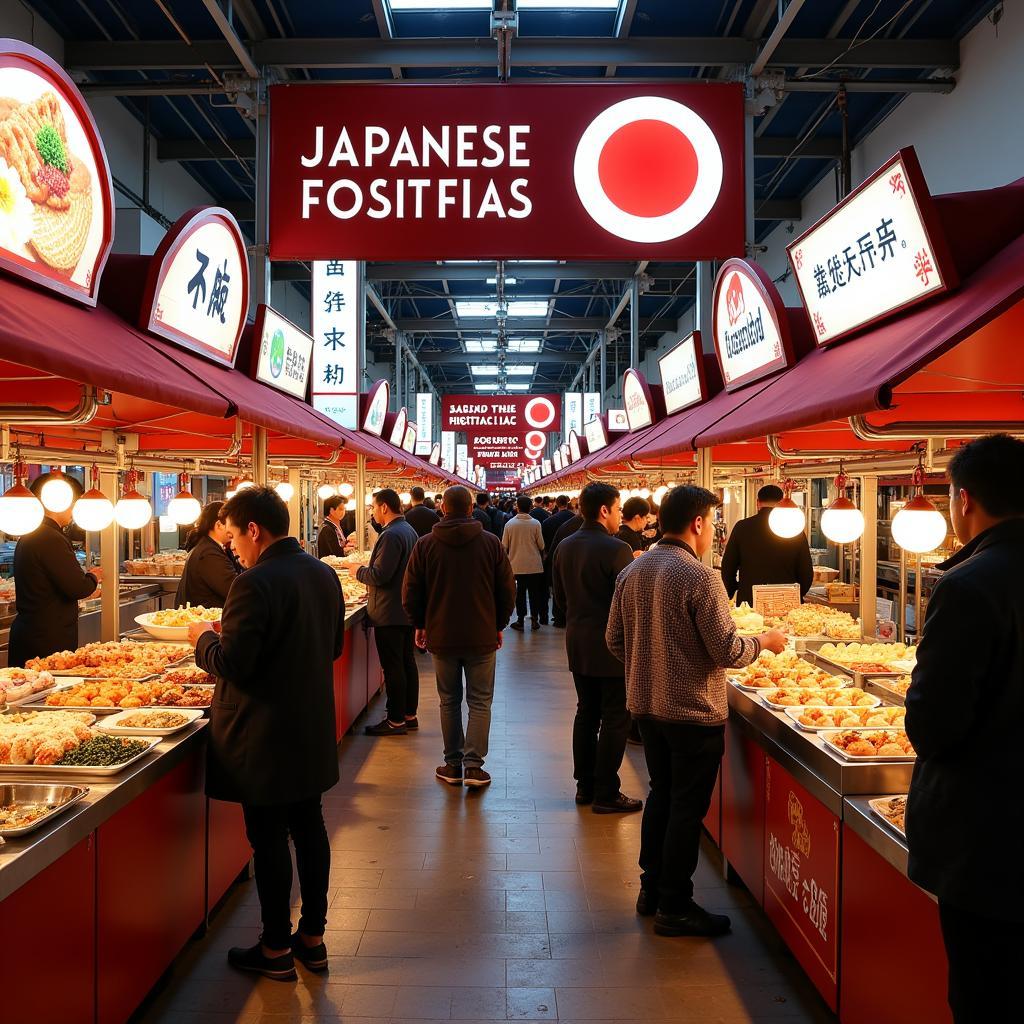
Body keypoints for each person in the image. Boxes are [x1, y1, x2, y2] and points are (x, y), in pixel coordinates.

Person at [607, 485, 786, 938]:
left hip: (647, 708)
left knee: (662, 796)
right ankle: (675, 905)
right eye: (713, 522)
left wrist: (648, 663)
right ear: (699, 523)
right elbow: (728, 650)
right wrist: (764, 642)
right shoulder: (699, 576)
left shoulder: (634, 568)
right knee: (686, 808)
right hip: (692, 714)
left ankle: (651, 890)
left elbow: (613, 640)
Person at [188, 486, 345, 981]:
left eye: (234, 536)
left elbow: (232, 664)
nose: (232, 546)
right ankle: (312, 939)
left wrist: (204, 639)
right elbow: (333, 646)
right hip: (310, 726)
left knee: (270, 839)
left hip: (263, 736)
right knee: (311, 830)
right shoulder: (322, 574)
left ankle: (276, 947)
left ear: (254, 530)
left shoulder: (253, 584)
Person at [903, 434, 1024, 1022]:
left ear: (963, 500)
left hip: (988, 842)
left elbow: (934, 724)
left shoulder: (971, 584)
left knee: (984, 995)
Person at [403, 486, 515, 788]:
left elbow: (411, 590)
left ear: (443, 508)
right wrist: (498, 624)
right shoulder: (491, 544)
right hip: (481, 635)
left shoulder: (425, 545)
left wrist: (420, 624)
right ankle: (475, 768)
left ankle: (452, 764)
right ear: (471, 509)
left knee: (448, 701)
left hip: (441, 635)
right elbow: (507, 589)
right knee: (480, 701)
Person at [553, 482, 642, 815]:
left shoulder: (565, 546)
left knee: (586, 712)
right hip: (611, 646)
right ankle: (607, 790)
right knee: (616, 718)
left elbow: (559, 601)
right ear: (604, 510)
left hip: (578, 642)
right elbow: (627, 604)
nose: (620, 515)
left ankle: (584, 785)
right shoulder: (616, 549)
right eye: (618, 508)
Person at [342, 489, 420, 736]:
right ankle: (409, 714)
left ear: (384, 507)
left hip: (389, 611)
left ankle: (395, 719)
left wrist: (356, 570)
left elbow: (379, 575)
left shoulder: (391, 535)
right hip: (404, 608)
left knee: (393, 666)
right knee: (406, 663)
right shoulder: (408, 531)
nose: (372, 512)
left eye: (373, 507)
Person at [9, 501, 101, 668]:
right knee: (49, 690)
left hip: (31, 632)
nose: (73, 511)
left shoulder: (32, 534)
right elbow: (77, 587)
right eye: (72, 504)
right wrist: (93, 577)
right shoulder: (50, 538)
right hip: (46, 639)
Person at [720, 484, 813, 606]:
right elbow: (806, 572)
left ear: (757, 503)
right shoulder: (794, 528)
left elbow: (727, 568)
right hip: (786, 601)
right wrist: (796, 595)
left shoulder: (742, 527)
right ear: (782, 502)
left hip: (750, 603)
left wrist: (737, 591)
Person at [175, 500, 239, 608]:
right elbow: (235, 590)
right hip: (203, 620)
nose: (234, 528)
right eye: (231, 523)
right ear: (218, 525)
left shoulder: (206, 547)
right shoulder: (209, 554)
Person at [502, 495, 546, 631]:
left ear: (517, 507)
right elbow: (541, 545)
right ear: (531, 507)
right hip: (534, 565)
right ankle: (534, 619)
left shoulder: (509, 524)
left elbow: (504, 546)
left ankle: (520, 620)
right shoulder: (536, 523)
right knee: (534, 593)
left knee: (520, 593)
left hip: (516, 565)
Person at [542, 495, 575, 625]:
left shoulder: (549, 521)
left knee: (558, 586)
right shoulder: (575, 520)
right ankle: (569, 614)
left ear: (556, 503)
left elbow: (544, 542)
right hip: (573, 556)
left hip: (554, 556)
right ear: (568, 503)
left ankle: (559, 617)